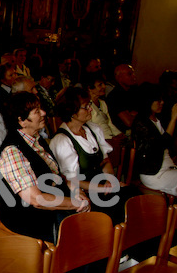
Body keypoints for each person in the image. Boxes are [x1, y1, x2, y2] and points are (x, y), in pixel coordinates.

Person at [0, 92, 90, 243]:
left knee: (96, 216)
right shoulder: (12, 151)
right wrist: (74, 203)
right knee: (81, 230)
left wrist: (77, 192)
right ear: (21, 121)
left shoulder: (37, 141)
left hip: (49, 207)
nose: (44, 113)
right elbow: (35, 199)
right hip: (28, 217)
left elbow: (57, 179)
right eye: (37, 111)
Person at [50, 87, 136, 224]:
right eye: (86, 106)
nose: (91, 109)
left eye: (90, 104)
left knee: (133, 195)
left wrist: (110, 180)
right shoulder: (62, 140)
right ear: (72, 112)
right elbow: (72, 181)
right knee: (120, 208)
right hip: (85, 193)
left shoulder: (93, 129)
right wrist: (104, 188)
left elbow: (105, 160)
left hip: (103, 186)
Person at [82, 72, 122, 140]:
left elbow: (109, 123)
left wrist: (119, 134)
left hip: (110, 138)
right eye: (100, 85)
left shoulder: (103, 103)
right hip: (99, 140)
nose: (104, 86)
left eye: (104, 84)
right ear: (90, 88)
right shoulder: (85, 106)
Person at [106, 64, 138, 133]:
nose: (134, 76)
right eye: (129, 74)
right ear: (119, 78)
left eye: (133, 73)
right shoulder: (114, 96)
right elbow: (129, 122)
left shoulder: (134, 91)